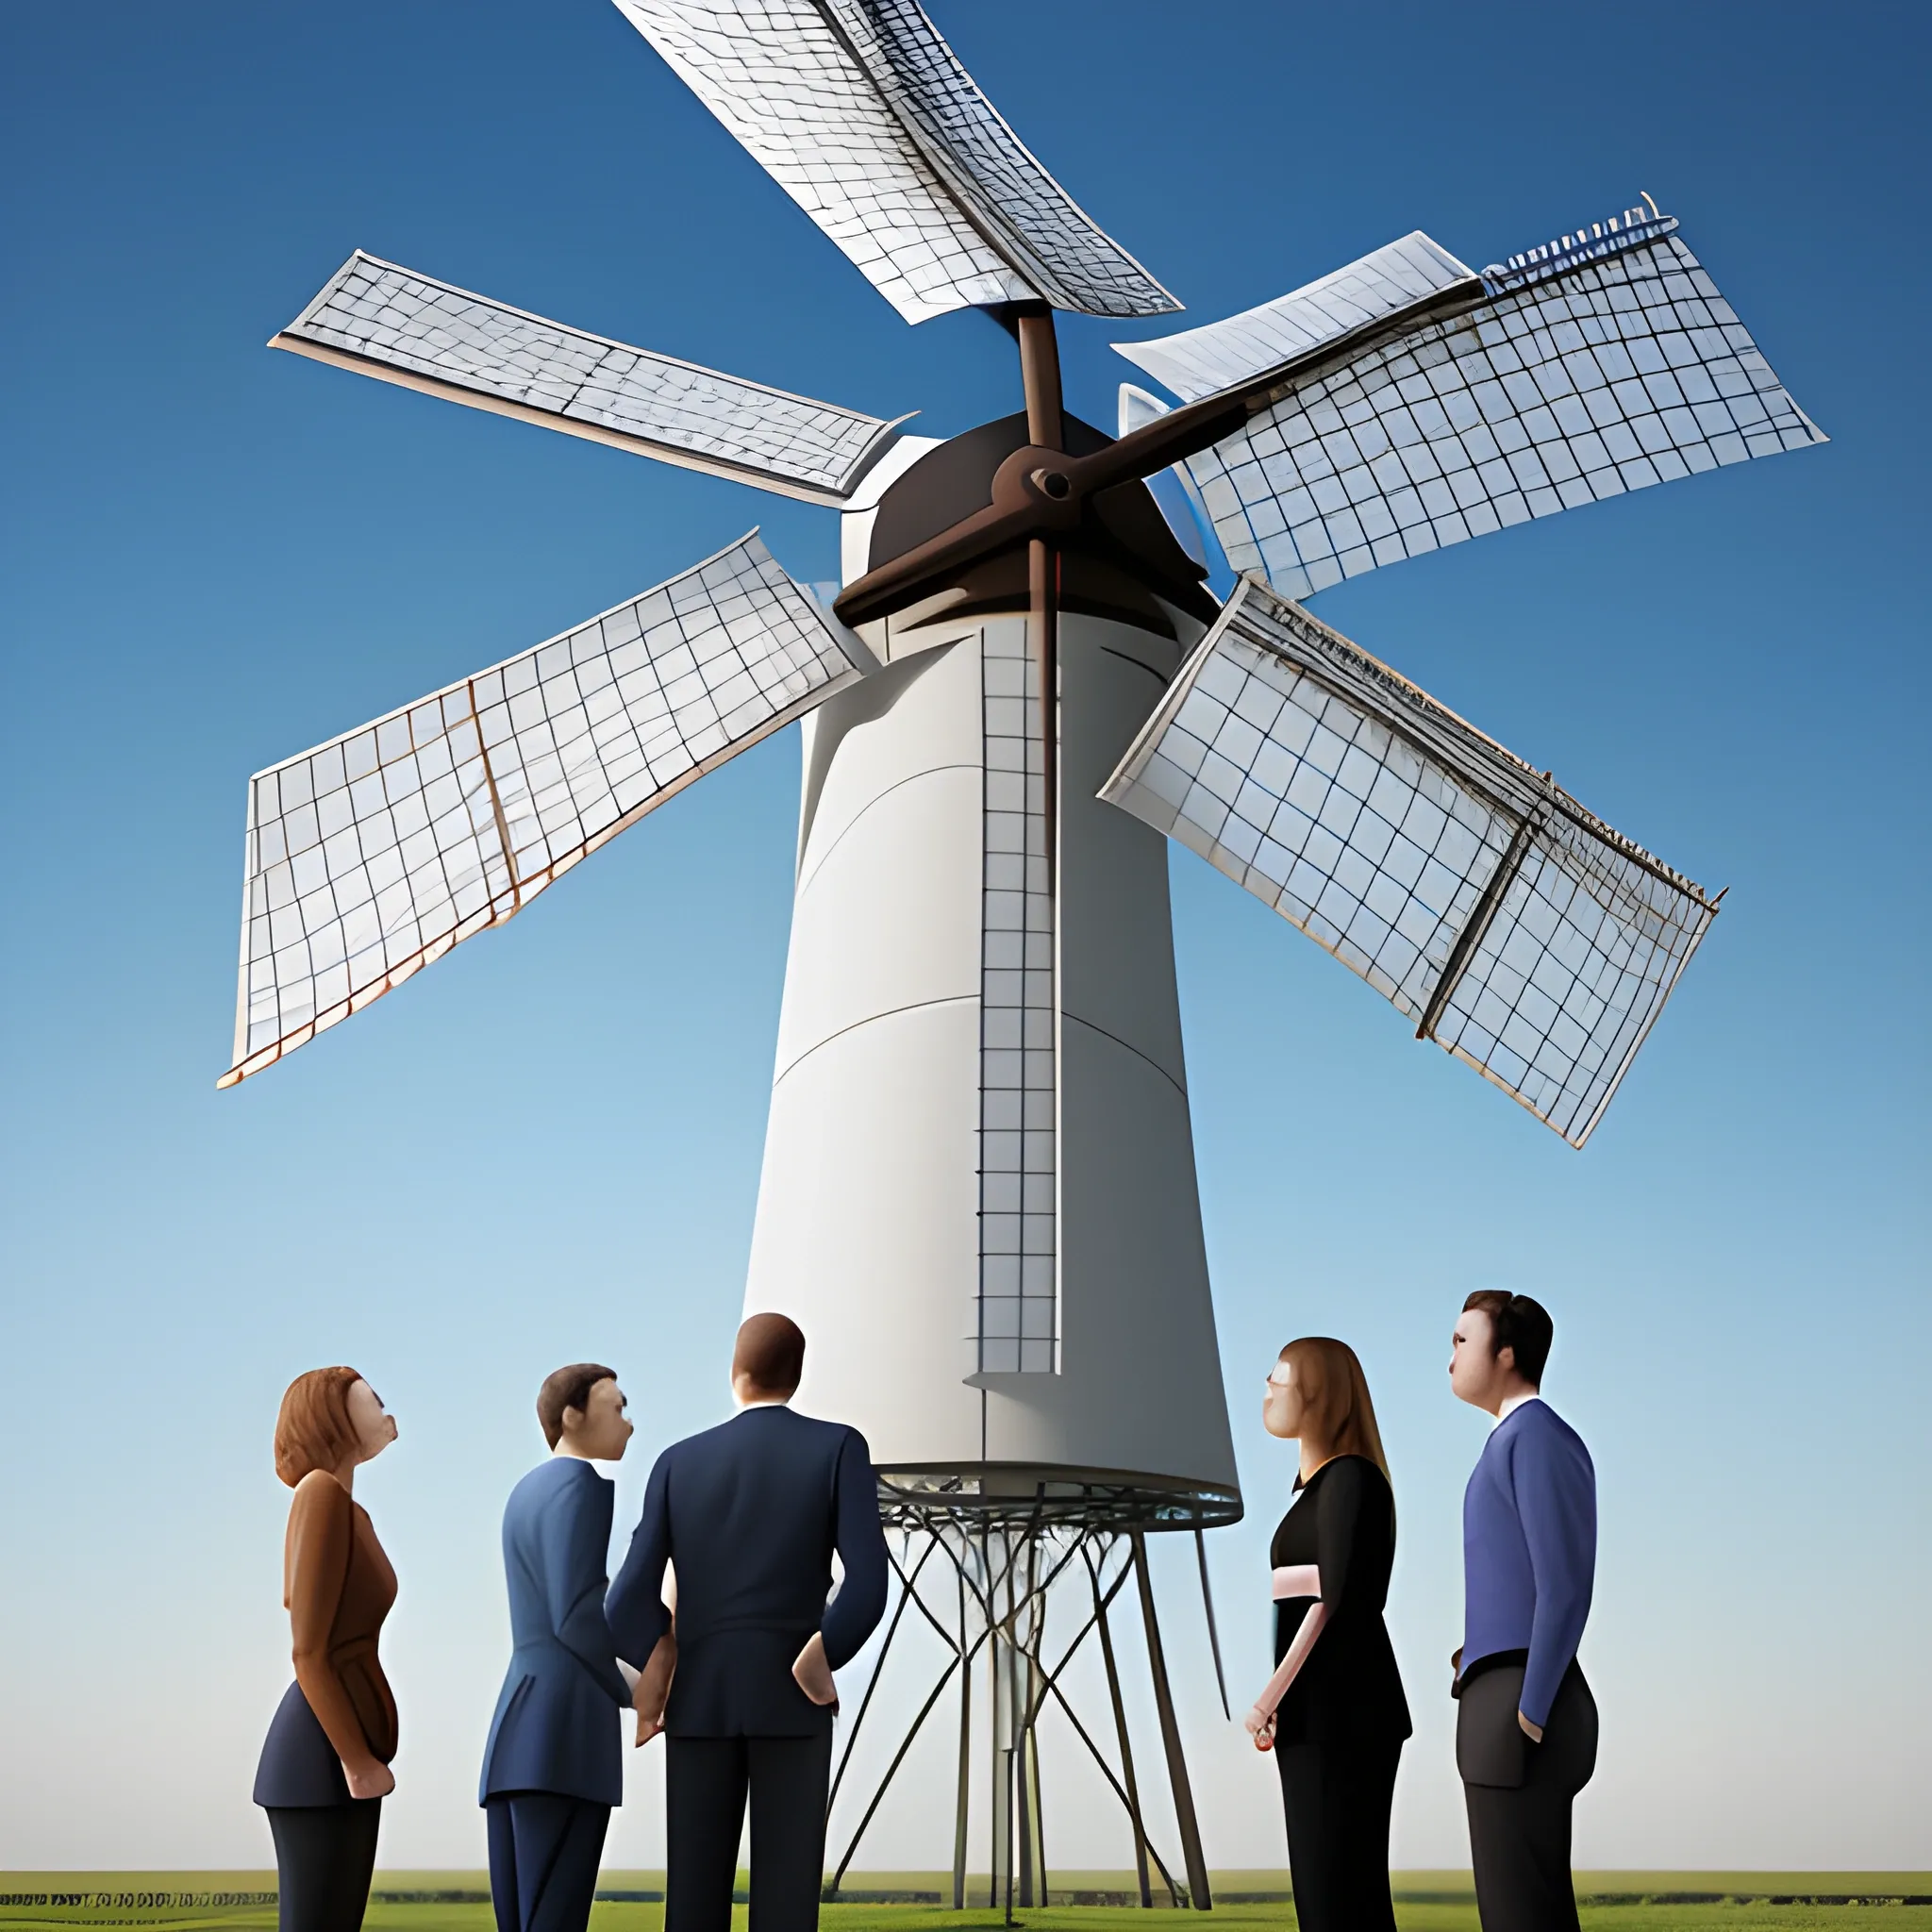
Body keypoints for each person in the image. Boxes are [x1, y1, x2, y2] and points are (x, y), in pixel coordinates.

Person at [608, 1313, 889, 1932]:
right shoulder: (839, 1447)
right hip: (793, 1693)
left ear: (734, 1373)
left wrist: (663, 1656)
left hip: (699, 1697)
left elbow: (624, 1599)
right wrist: (824, 1652)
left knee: (693, 1899)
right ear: (797, 1373)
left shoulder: (678, 1463)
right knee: (788, 1901)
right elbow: (868, 1582)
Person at [481, 1364, 663, 1932]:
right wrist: (637, 1691)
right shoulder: (578, 1485)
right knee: (556, 1912)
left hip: (517, 1731)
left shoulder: (524, 1492)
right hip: (564, 1737)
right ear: (572, 1416)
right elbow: (577, 1614)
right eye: (618, 1408)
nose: (629, 1425)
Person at [1241, 1337, 1409, 1932]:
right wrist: (1284, 1702)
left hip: (1345, 1714)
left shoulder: (1350, 1481)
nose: (1267, 1386)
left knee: (1342, 1892)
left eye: (1279, 1377)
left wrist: (1269, 1697)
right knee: (1322, 1892)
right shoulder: (1318, 1489)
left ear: (1318, 1394)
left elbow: (1330, 1602)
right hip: (1315, 1715)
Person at [1449, 1291, 1598, 1932]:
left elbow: (1564, 1586)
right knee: (1513, 1907)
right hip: (1498, 1699)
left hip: (1523, 1707)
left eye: (1462, 1341)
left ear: (1505, 1354)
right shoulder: (1508, 1441)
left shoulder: (1535, 1437)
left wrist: (1530, 1713)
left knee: (1521, 1912)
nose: (1450, 1356)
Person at [254, 1368, 400, 1932]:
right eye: (374, 1399)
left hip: (340, 1757)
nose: (388, 1410)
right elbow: (308, 1652)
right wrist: (357, 1762)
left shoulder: (347, 1507)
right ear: (332, 1416)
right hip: (321, 1759)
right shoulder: (320, 1494)